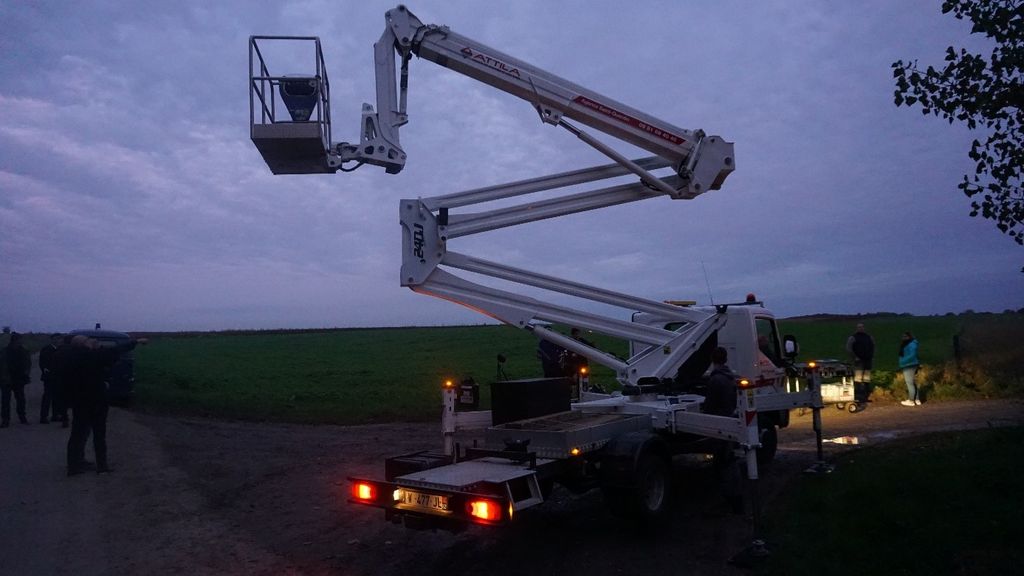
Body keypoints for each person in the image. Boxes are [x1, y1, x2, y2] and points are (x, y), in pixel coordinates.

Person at [66, 334, 143, 475]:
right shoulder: (93, 356)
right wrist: (135, 342)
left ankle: (73, 466)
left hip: (79, 401)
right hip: (96, 400)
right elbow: (115, 351)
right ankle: (102, 466)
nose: (93, 341)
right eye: (89, 340)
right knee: (99, 433)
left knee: (77, 433)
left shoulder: (71, 357)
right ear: (83, 344)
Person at [703, 347, 742, 512]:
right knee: (730, 461)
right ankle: (735, 500)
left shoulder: (715, 380)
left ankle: (729, 501)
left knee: (722, 465)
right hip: (730, 421)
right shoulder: (730, 377)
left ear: (712, 360)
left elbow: (710, 405)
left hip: (720, 426)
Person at [2, 332, 32, 427]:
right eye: (20, 340)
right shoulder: (5, 351)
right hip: (7, 379)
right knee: (6, 401)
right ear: (16, 340)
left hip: (18, 379)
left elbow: (28, 364)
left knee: (20, 400)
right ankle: (6, 419)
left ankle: (21, 417)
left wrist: (26, 374)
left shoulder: (22, 351)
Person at [845, 323, 875, 405]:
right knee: (858, 379)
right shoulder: (853, 338)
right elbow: (848, 348)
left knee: (866, 379)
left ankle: (865, 397)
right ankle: (857, 397)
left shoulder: (869, 337)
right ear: (857, 328)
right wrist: (855, 357)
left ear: (864, 328)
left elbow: (873, 347)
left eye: (862, 327)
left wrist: (871, 356)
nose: (860, 328)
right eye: (859, 327)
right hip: (858, 361)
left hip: (867, 361)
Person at [38, 333, 61, 423]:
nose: (58, 340)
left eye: (59, 339)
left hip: (57, 377)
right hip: (49, 377)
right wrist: (45, 369)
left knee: (56, 397)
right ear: (52, 339)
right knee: (47, 397)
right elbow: (42, 362)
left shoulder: (59, 349)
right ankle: (43, 417)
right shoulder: (47, 349)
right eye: (56, 339)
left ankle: (55, 415)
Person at [898, 332, 921, 407]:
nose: (904, 338)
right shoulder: (910, 343)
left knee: (909, 383)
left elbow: (912, 354)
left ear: (909, 337)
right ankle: (917, 399)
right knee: (912, 382)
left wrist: (903, 361)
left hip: (909, 365)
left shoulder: (911, 344)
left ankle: (911, 400)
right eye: (903, 336)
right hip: (911, 364)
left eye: (905, 336)